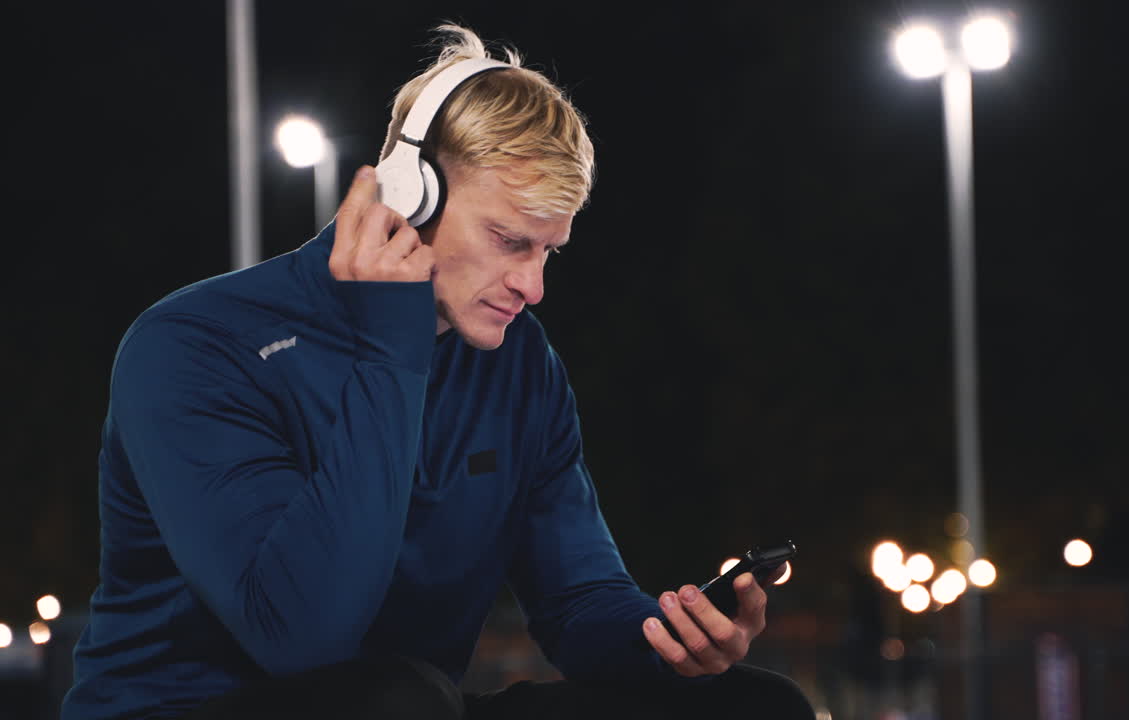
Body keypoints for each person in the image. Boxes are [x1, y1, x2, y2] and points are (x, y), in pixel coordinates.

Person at [62, 25, 814, 720]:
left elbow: (579, 603)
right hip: (185, 707)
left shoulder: (518, 361)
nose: (533, 286)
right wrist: (393, 348)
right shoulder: (194, 345)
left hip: (413, 705)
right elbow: (299, 637)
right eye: (508, 240)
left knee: (754, 706)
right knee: (398, 697)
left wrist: (670, 642)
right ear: (408, 193)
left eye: (549, 251)